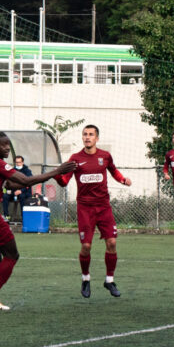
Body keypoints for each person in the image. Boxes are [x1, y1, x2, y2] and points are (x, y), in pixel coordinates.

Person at [0, 132, 75, 310]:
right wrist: (57, 171)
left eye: (8, 144)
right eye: (4, 145)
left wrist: (47, 176)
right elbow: (25, 179)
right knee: (12, 255)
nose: (8, 148)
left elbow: (10, 185)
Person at [54, 125, 131, 298]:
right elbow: (64, 182)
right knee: (86, 246)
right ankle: (86, 279)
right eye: (85, 134)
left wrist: (122, 179)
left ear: (97, 138)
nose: (87, 137)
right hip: (85, 208)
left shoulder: (105, 156)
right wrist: (56, 174)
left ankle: (109, 281)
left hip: (104, 207)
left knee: (112, 243)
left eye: (91, 135)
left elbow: (113, 171)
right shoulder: (75, 159)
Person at [2, 155, 33, 221]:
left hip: (24, 192)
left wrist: (21, 190)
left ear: (22, 162)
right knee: (5, 196)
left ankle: (23, 218)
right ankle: (6, 216)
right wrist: (9, 190)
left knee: (22, 196)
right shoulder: (12, 171)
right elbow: (9, 181)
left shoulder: (27, 171)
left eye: (19, 162)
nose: (18, 164)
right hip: (14, 191)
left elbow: (29, 183)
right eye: (16, 162)